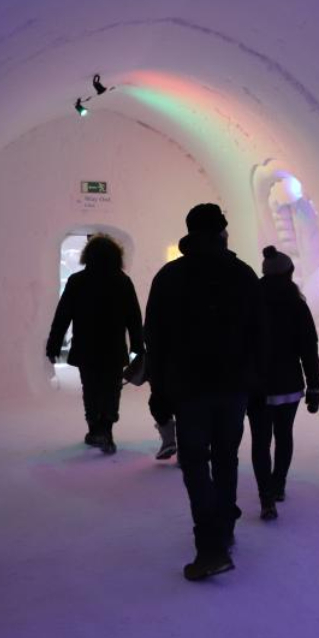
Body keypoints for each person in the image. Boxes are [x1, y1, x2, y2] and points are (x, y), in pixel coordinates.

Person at [144, 203, 265, 581]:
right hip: (233, 386)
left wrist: (159, 390)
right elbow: (260, 333)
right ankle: (223, 530)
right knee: (226, 458)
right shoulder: (242, 274)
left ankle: (210, 545)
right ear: (221, 231)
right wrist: (255, 380)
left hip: (188, 387)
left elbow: (155, 339)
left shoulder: (170, 276)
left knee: (195, 462)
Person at [46, 234, 143, 455]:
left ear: (88, 255)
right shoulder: (122, 281)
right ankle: (106, 429)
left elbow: (62, 316)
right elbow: (134, 317)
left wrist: (53, 345)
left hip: (86, 346)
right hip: (113, 347)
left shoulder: (77, 281)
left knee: (90, 388)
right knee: (111, 389)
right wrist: (137, 345)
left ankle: (94, 429)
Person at [248, 246, 319, 521]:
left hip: (257, 385)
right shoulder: (296, 305)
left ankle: (266, 497)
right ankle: (278, 485)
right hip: (289, 383)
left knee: (260, 441)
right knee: (284, 435)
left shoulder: (251, 302)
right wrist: (314, 386)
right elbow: (308, 348)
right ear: (289, 273)